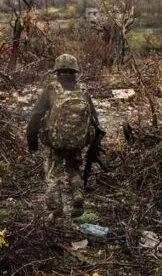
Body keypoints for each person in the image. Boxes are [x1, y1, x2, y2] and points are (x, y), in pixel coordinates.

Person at [26, 54, 104, 218]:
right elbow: (94, 119)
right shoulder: (82, 90)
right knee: (74, 169)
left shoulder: (51, 89)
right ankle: (77, 199)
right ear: (75, 71)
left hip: (56, 142)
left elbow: (36, 116)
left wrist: (32, 142)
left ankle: (56, 211)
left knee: (53, 173)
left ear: (57, 71)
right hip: (77, 141)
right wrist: (91, 140)